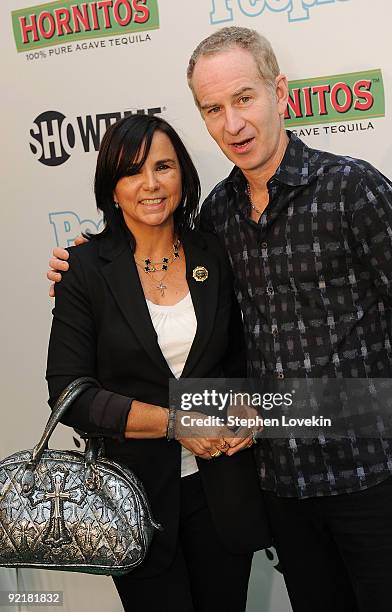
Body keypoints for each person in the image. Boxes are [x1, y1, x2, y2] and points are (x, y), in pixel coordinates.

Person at [48, 27, 392, 612]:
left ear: (279, 91)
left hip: (371, 473)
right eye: (213, 109)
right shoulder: (218, 218)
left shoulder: (354, 189)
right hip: (280, 487)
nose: (232, 124)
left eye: (244, 99)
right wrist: (76, 267)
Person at [46, 112, 271, 612]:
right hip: (134, 502)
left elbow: (240, 355)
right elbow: (71, 394)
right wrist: (176, 423)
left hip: (220, 493)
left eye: (163, 166)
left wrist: (246, 405)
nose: (150, 183)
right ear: (112, 186)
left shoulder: (214, 252)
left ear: (183, 176)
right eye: (132, 171)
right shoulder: (84, 269)